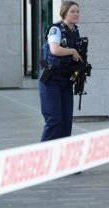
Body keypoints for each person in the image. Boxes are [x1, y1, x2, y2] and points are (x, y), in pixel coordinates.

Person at [39, 1, 82, 142]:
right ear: (64, 13)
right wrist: (73, 51)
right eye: (72, 11)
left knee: (66, 123)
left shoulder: (75, 31)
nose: (76, 14)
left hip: (66, 82)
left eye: (77, 11)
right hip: (51, 81)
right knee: (54, 121)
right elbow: (55, 49)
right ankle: (43, 157)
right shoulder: (56, 30)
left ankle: (62, 159)